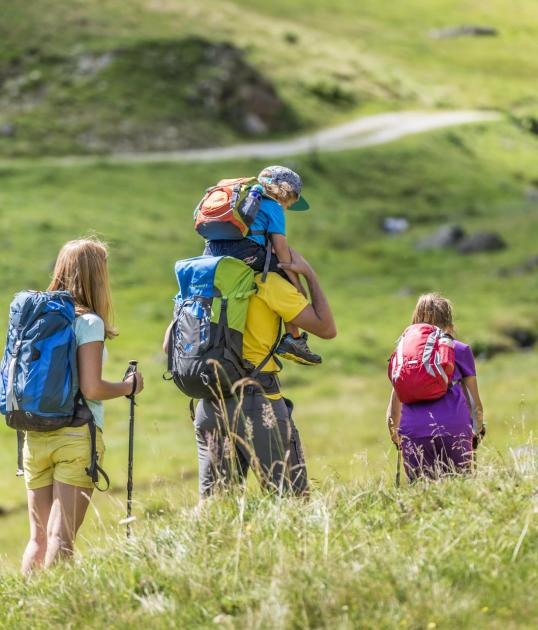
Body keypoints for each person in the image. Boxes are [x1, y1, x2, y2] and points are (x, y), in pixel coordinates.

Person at [164, 249, 336, 497]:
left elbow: (168, 345)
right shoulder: (267, 283)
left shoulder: (205, 287)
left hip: (210, 404)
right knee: (291, 501)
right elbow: (326, 328)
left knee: (217, 509)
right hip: (258, 404)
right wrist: (308, 273)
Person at [21, 238, 144, 574]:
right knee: (61, 539)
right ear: (95, 276)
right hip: (76, 436)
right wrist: (129, 386)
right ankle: (58, 618)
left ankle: (26, 615)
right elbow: (92, 387)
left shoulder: (35, 317)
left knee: (39, 539)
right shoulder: (88, 323)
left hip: (34, 436)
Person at [203, 165, 322, 366]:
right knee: (284, 277)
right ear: (284, 192)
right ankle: (293, 339)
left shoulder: (241, 198)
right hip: (244, 252)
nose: (287, 207)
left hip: (211, 251)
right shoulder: (273, 206)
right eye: (290, 202)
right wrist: (296, 281)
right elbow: (281, 247)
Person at [386, 293, 484, 481]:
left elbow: (392, 412)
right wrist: (477, 430)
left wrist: (397, 437)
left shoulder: (404, 355)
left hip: (413, 430)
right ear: (450, 325)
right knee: (459, 488)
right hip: (454, 427)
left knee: (421, 495)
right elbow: (475, 405)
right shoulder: (460, 350)